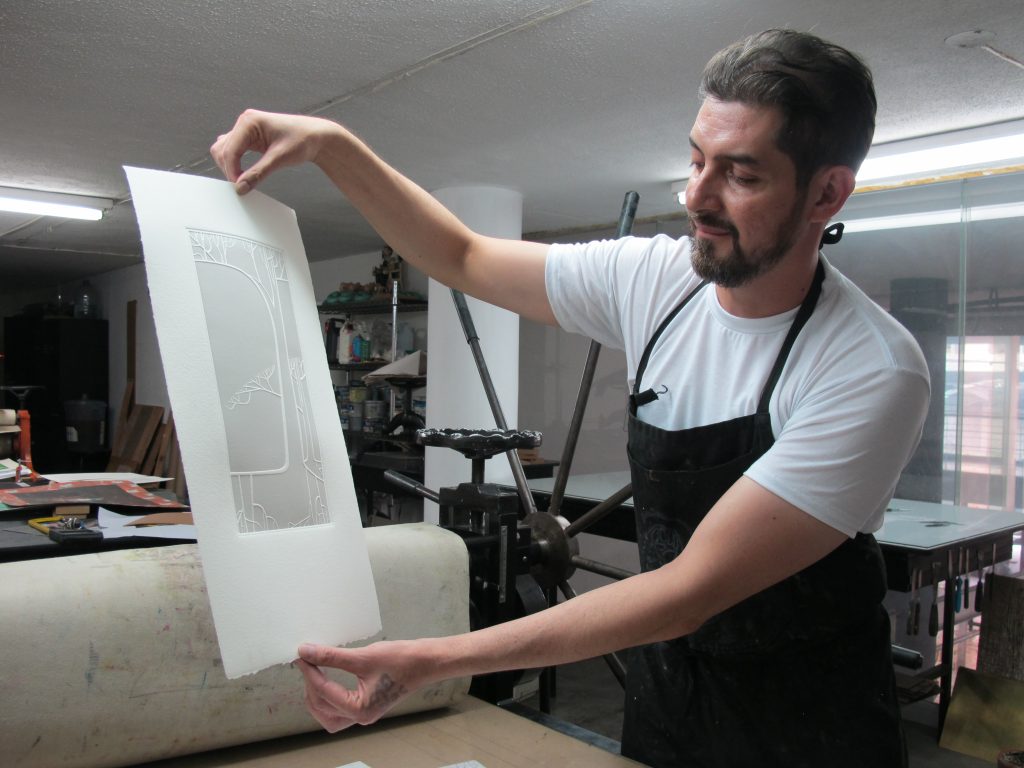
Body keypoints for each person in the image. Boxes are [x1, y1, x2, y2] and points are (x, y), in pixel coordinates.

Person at [211, 28, 930, 768]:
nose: (697, 197)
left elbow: (687, 591)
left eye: (741, 176)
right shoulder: (655, 282)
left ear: (826, 194)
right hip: (668, 697)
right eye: (695, 161)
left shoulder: (869, 368)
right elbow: (462, 254)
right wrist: (333, 147)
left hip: (811, 723)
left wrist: (434, 659)